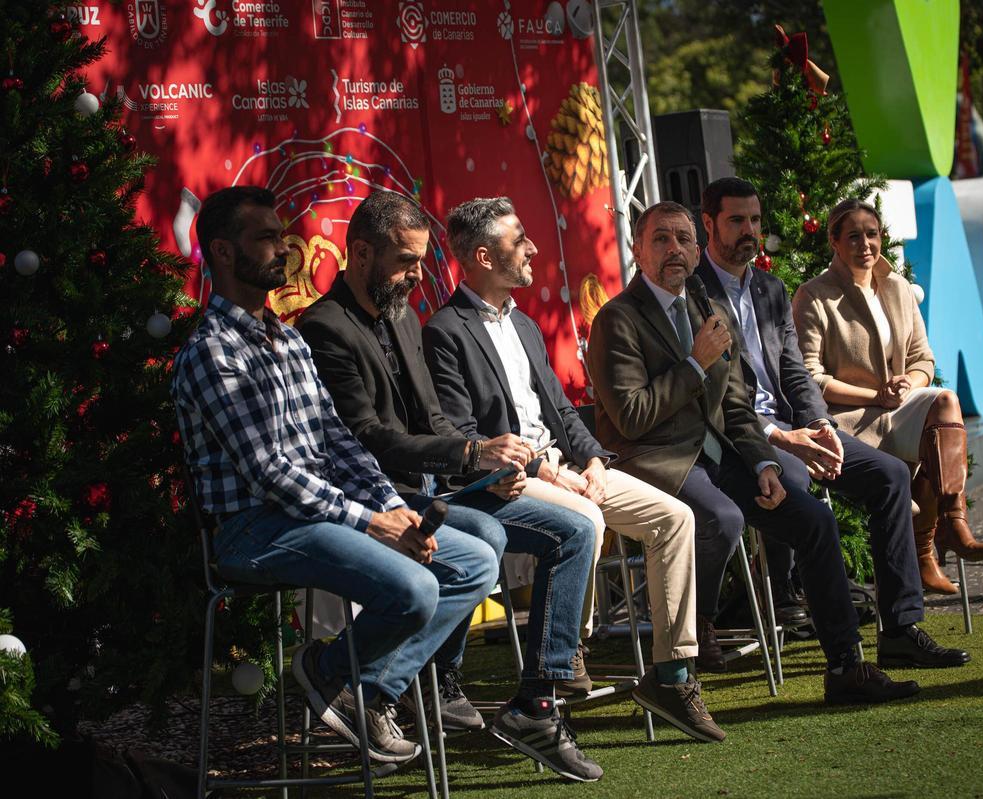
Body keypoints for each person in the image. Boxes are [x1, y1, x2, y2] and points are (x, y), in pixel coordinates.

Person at [171, 186, 498, 766]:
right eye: (265, 238)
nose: (282, 249)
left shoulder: (288, 339)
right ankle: (326, 672)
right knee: (416, 588)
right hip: (253, 529)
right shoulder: (212, 352)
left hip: (317, 513)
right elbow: (269, 472)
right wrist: (374, 522)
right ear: (222, 252)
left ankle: (361, 690)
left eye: (280, 235)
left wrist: (385, 506)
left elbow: (339, 441)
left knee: (474, 561)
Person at [295, 191, 603, 780]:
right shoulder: (324, 328)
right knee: (482, 541)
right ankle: (399, 682)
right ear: (359, 254)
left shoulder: (405, 314)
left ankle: (537, 702)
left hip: (436, 487)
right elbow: (369, 439)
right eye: (405, 261)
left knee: (574, 530)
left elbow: (434, 421)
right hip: (376, 495)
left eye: (420, 261)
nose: (418, 274)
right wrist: (471, 451)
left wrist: (486, 467)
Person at [587, 200, 920, 704]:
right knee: (723, 518)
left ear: (698, 252)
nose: (673, 249)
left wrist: (763, 460)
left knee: (813, 520)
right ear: (636, 249)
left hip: (723, 456)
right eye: (660, 239)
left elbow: (737, 405)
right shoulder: (617, 319)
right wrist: (695, 365)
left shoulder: (710, 310)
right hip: (655, 461)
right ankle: (687, 643)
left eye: (682, 239)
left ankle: (846, 669)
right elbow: (631, 418)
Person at [423, 197, 726, 743]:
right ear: (485, 256)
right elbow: (464, 436)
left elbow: (561, 411)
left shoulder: (525, 325)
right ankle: (567, 654)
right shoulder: (445, 330)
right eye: (521, 240)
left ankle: (673, 675)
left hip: (568, 470)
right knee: (585, 516)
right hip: (509, 481)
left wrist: (592, 458)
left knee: (676, 518)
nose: (534, 248)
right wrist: (548, 470)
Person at [693, 177, 969, 667]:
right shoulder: (693, 294)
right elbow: (712, 399)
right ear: (708, 223)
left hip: (796, 428)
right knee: (801, 487)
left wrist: (820, 427)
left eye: (755, 220)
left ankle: (901, 629)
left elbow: (797, 374)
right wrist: (783, 436)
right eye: (736, 220)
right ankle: (827, 640)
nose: (749, 231)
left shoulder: (770, 289)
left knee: (889, 475)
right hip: (739, 438)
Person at [793, 198, 983, 595]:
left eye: (872, 234)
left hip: (897, 407)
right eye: (853, 236)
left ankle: (953, 521)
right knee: (931, 437)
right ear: (834, 241)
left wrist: (907, 386)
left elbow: (923, 358)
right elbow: (810, 377)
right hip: (849, 419)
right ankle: (924, 553)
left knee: (945, 403)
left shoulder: (898, 287)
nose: (866, 244)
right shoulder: (814, 296)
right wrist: (874, 394)